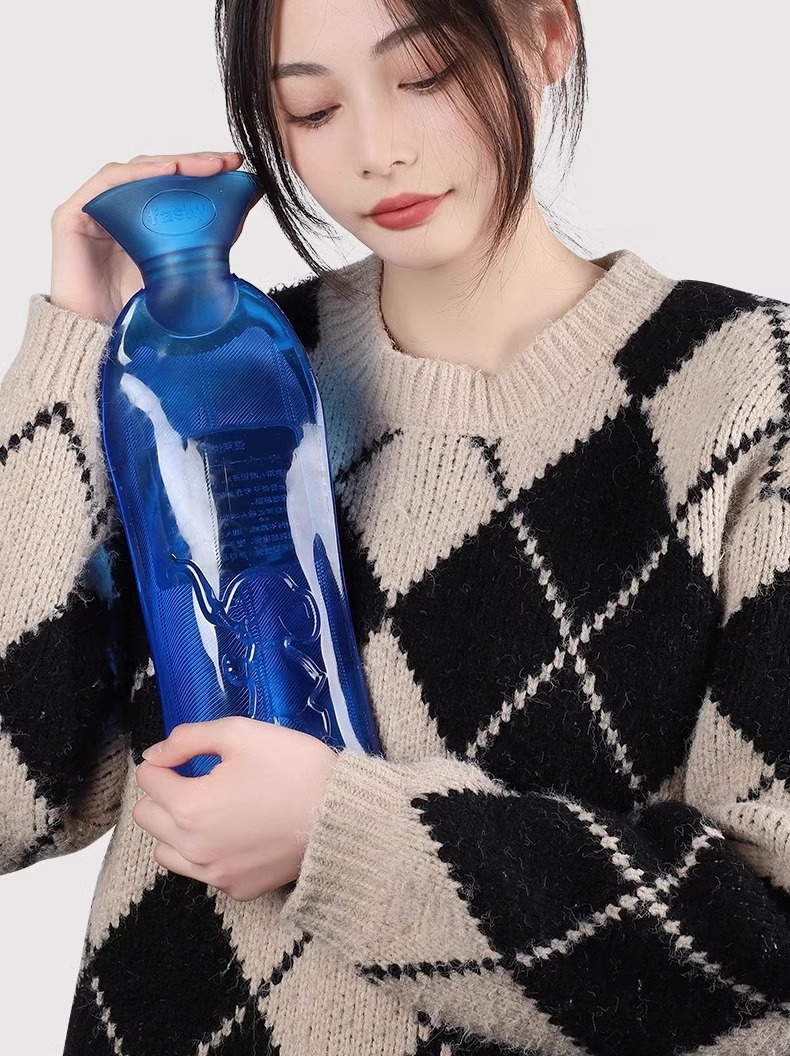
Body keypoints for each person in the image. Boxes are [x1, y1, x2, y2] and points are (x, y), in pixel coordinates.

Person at [1, 0, 789, 1053]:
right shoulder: (213, 382)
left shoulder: (746, 392)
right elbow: (14, 803)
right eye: (313, 111)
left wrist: (344, 837)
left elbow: (763, 941)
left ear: (549, 35)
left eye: (426, 75)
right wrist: (73, 351)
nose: (377, 149)